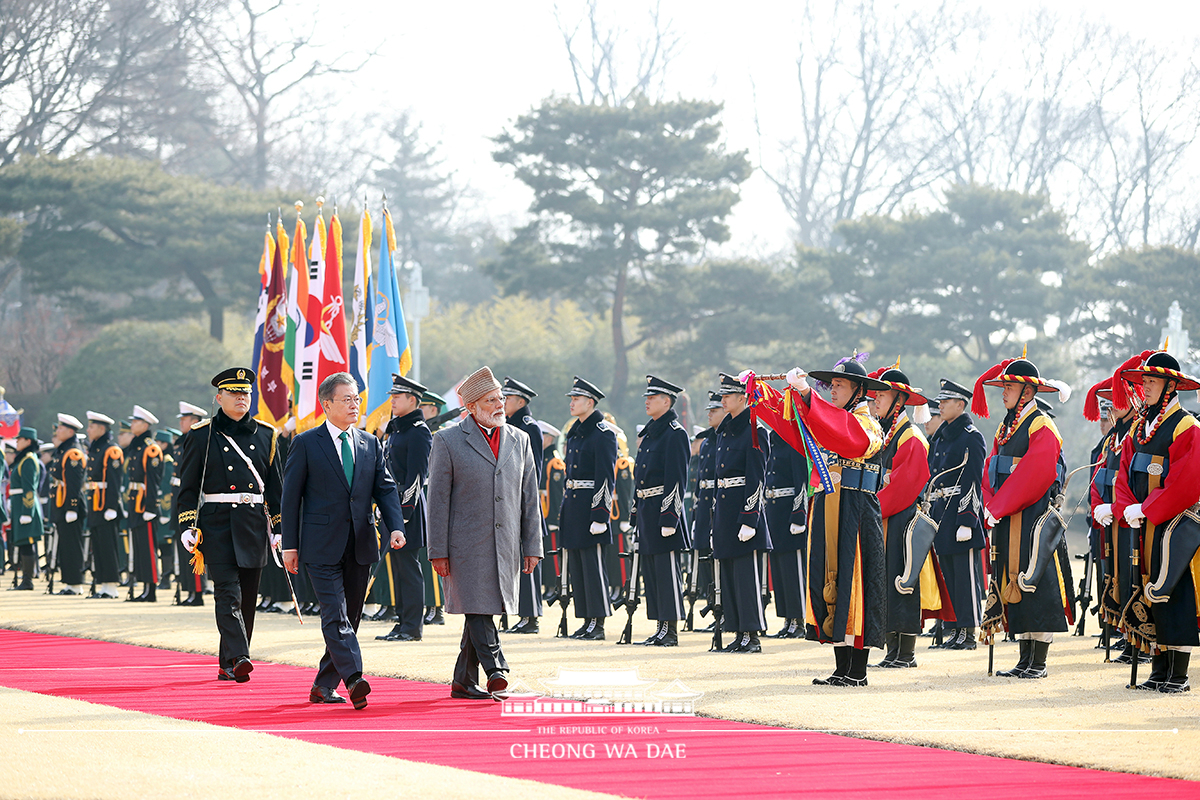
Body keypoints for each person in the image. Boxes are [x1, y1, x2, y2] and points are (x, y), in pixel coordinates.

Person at [746, 355, 886, 685]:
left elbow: (851, 438)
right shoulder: (831, 420)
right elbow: (795, 426)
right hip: (828, 505)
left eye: (839, 385)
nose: (832, 390)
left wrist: (808, 395)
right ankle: (841, 666)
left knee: (856, 586)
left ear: (858, 391)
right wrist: (762, 393)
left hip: (857, 511)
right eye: (831, 385)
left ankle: (858, 670)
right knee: (829, 579)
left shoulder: (868, 423)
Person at [281, 371, 405, 709]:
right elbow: (290, 499)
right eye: (347, 399)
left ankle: (323, 686)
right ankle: (354, 678)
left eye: (357, 399)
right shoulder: (306, 443)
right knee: (334, 614)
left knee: (349, 617)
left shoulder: (370, 442)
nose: (355, 405)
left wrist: (396, 527)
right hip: (319, 545)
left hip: (362, 542)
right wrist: (288, 546)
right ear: (326, 404)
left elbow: (386, 488)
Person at [426, 366, 543, 699]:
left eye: (501, 398)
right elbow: (437, 502)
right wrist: (438, 550)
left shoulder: (520, 440)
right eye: (491, 400)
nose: (499, 405)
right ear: (472, 407)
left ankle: (463, 679)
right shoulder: (446, 440)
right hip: (463, 546)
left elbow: (529, 497)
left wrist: (532, 545)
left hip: (505, 545)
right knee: (479, 608)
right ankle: (496, 669)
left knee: (482, 608)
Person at [177, 369, 283, 683]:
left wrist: (278, 528)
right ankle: (241, 656)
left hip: (252, 525)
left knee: (247, 597)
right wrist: (187, 524)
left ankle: (228, 663)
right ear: (219, 397)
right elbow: (188, 487)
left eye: (246, 393)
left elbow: (276, 488)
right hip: (217, 524)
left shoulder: (266, 434)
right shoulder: (201, 434)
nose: (241, 398)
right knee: (227, 594)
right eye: (234, 393)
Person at [974, 356, 1071, 679]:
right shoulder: (1007, 425)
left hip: (1031, 516)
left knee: (1035, 584)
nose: (1004, 392)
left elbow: (1036, 473)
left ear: (1027, 393)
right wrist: (990, 502)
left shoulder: (1042, 424)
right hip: (1006, 514)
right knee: (1010, 581)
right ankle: (1024, 658)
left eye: (1010, 386)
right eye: (1004, 385)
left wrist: (999, 506)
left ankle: (1038, 661)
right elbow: (992, 467)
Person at [1111, 350, 1200, 693]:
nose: (1144, 387)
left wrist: (1147, 509)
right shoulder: (1139, 426)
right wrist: (1126, 508)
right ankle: (1158, 667)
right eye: (1144, 381)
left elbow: (1186, 481)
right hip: (1144, 523)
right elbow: (1123, 475)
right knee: (1147, 590)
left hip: (1174, 525)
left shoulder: (1186, 426)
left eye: (1152, 381)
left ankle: (1178, 674)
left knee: (1173, 591)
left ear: (1170, 386)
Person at [867, 366, 951, 667]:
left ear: (899, 401)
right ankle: (893, 650)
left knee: (904, 582)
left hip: (902, 521)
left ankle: (905, 653)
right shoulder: (887, 434)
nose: (876, 399)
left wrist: (871, 507)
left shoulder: (911, 437)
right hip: (888, 517)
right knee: (887, 581)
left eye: (882, 394)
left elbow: (904, 486)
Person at [712, 372, 772, 654]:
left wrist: (750, 517)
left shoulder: (755, 430)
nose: (723, 399)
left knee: (746, 578)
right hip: (725, 510)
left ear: (744, 397)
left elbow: (756, 477)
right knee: (729, 576)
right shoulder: (724, 429)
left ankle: (751, 635)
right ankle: (737, 631)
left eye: (728, 395)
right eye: (722, 394)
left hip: (743, 511)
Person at [926, 379, 988, 650]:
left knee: (965, 576)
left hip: (960, 514)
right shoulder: (940, 436)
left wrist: (967, 520)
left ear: (960, 405)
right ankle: (953, 629)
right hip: (940, 512)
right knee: (949, 575)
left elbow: (973, 480)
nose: (940, 405)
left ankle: (968, 632)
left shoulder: (971, 436)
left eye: (946, 401)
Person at [631, 375, 692, 646]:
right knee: (653, 574)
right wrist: (635, 513)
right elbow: (640, 477)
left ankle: (671, 629)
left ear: (666, 401)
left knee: (667, 572)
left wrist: (670, 516)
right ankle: (659, 625)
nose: (646, 401)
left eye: (652, 397)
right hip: (647, 509)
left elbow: (677, 479)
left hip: (663, 511)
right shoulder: (651, 432)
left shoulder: (675, 434)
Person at [375, 373, 433, 643]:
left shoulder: (419, 432)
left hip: (406, 508)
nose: (393, 401)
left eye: (397, 397)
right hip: (392, 506)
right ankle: (401, 623)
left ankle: (412, 626)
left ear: (412, 399)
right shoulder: (396, 428)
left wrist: (405, 513)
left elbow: (416, 477)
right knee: (397, 568)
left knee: (409, 569)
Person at [559, 376, 618, 640]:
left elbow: (606, 476)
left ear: (591, 402)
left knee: (593, 568)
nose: (572, 403)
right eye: (571, 398)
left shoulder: (603, 433)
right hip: (573, 506)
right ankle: (585, 620)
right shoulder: (575, 431)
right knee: (578, 569)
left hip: (591, 508)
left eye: (577, 399)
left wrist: (600, 515)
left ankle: (598, 622)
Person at [502, 376, 545, 633]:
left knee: (528, 556)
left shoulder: (528, 426)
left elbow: (533, 470)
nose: (503, 402)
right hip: (510, 499)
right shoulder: (510, 425)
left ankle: (531, 617)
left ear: (520, 401)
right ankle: (521, 614)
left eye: (507, 398)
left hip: (523, 499)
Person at [124, 405, 163, 602]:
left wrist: (150, 507)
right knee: (139, 548)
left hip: (144, 505)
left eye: (135, 421)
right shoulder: (138, 446)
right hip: (135, 502)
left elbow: (153, 481)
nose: (132, 425)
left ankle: (151, 589)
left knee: (148, 548)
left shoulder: (151, 448)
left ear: (145, 424)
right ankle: (144, 587)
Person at [85, 411, 124, 599]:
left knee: (108, 545)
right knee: (98, 545)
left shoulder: (111, 450)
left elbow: (114, 481)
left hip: (105, 505)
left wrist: (111, 506)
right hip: (95, 503)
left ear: (101, 429)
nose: (88, 430)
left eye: (91, 426)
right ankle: (103, 584)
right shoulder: (96, 448)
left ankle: (111, 586)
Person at [48, 414, 87, 595]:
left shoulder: (73, 452)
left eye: (61, 428)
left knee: (72, 544)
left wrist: (72, 507)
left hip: (69, 505)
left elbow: (74, 483)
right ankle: (69, 582)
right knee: (65, 544)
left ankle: (76, 583)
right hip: (61, 504)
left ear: (70, 431)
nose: (57, 431)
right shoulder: (64, 449)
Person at [9, 427, 43, 590]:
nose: (16, 441)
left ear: (28, 441)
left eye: (19, 439)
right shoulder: (24, 459)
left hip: (25, 507)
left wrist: (27, 512)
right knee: (22, 542)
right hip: (19, 504)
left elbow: (29, 488)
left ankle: (28, 580)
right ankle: (25, 579)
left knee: (27, 543)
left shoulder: (29, 459)